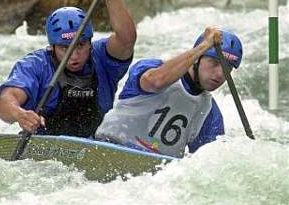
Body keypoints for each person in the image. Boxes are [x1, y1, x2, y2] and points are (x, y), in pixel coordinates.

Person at [0, 0, 137, 138]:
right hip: (45, 145)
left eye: (80, 45)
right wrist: (20, 115)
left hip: (97, 144)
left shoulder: (102, 57)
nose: (74, 55)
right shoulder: (35, 65)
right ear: (52, 46)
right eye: (65, 48)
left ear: (90, 42)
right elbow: (5, 103)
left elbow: (127, 39)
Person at [95, 27, 243, 158]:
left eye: (227, 68)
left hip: (153, 174)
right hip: (110, 146)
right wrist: (205, 45)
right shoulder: (151, 68)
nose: (219, 74)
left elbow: (208, 164)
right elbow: (156, 81)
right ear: (197, 60)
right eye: (215, 63)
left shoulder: (209, 113)